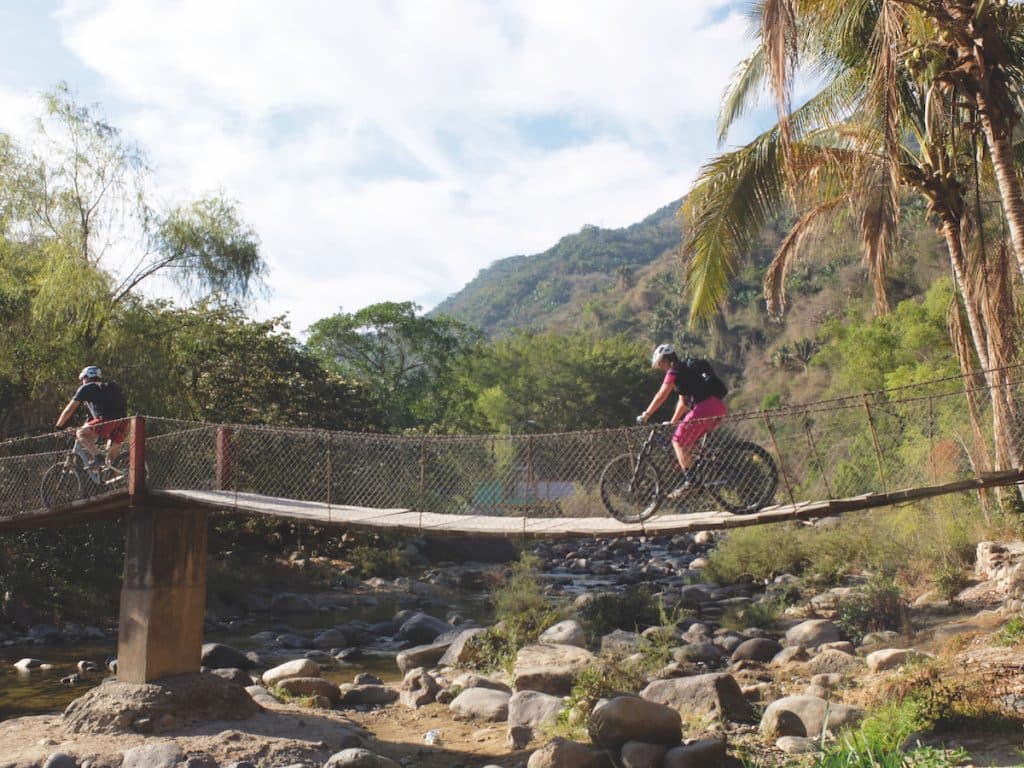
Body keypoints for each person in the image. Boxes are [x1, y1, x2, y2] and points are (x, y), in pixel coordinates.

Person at [638, 344, 728, 498]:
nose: (661, 368)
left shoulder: (674, 371)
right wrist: (673, 422)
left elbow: (661, 394)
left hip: (704, 407)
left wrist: (646, 414)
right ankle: (713, 467)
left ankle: (691, 481)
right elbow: (682, 403)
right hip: (717, 407)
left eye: (661, 363)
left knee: (678, 441)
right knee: (689, 445)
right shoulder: (686, 371)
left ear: (667, 359)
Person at [55, 366, 128, 480]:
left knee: (81, 434)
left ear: (86, 377)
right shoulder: (110, 386)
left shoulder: (86, 388)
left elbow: (69, 409)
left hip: (106, 421)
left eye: (82, 379)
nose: (82, 382)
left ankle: (97, 456)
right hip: (122, 422)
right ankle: (117, 482)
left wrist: (58, 426)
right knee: (111, 460)